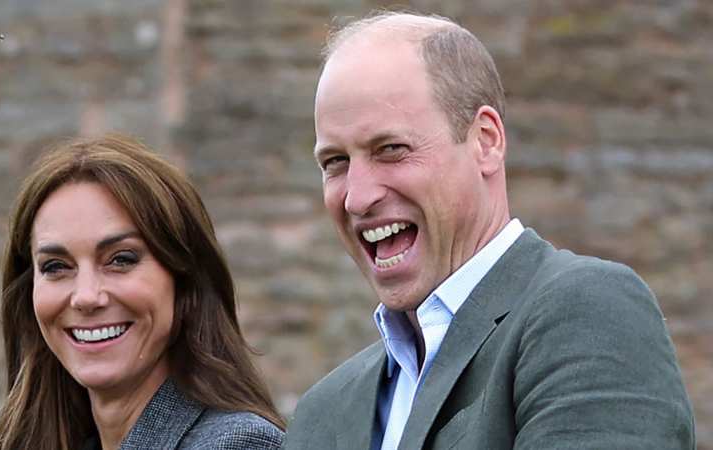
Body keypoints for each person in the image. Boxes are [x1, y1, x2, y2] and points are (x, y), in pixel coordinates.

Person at [283, 11, 695, 450]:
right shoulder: (320, 413)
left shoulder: (589, 311)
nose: (357, 198)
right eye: (335, 163)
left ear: (485, 140)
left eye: (390, 150)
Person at [0, 134, 285, 450]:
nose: (86, 296)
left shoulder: (236, 444)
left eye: (120, 259)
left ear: (183, 280)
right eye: (56, 266)